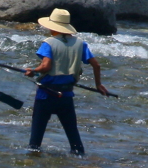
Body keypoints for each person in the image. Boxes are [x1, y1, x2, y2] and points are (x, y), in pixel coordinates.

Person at [24, 8, 108, 156]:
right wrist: (98, 85)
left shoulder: (49, 43)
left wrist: (33, 71)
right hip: (66, 96)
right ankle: (79, 161)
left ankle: (33, 160)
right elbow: (96, 65)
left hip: (45, 95)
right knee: (74, 139)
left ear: (53, 27)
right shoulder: (80, 44)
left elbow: (46, 66)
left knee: (35, 142)